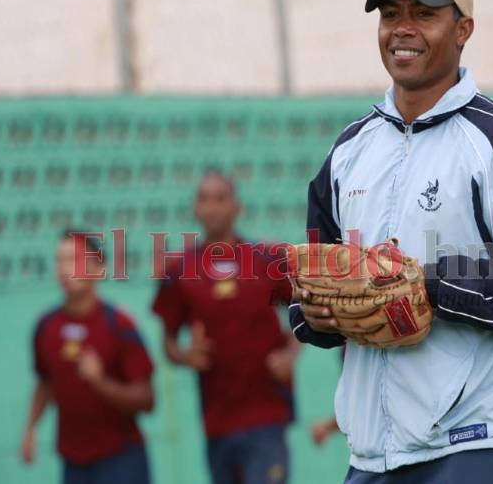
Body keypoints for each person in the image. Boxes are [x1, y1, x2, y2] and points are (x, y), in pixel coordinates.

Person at [289, 0, 493, 483]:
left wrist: (431, 285)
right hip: (371, 455)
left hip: (475, 443)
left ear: (463, 28)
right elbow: (316, 276)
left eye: (424, 14)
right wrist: (315, 315)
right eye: (390, 14)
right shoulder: (350, 150)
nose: (403, 29)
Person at [151, 171, 300, 484]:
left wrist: (289, 353)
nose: (213, 207)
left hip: (266, 415)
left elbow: (306, 310)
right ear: (195, 209)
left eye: (221, 198)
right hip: (217, 420)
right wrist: (183, 355)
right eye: (204, 199)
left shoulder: (266, 260)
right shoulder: (181, 271)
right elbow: (168, 342)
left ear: (236, 207)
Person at [22, 230, 154, 484]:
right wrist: (30, 429)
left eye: (75, 260)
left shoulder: (118, 325)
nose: (65, 269)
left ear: (98, 267)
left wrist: (101, 382)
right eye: (60, 260)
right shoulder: (46, 327)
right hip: (74, 462)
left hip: (120, 458)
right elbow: (46, 382)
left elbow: (147, 400)